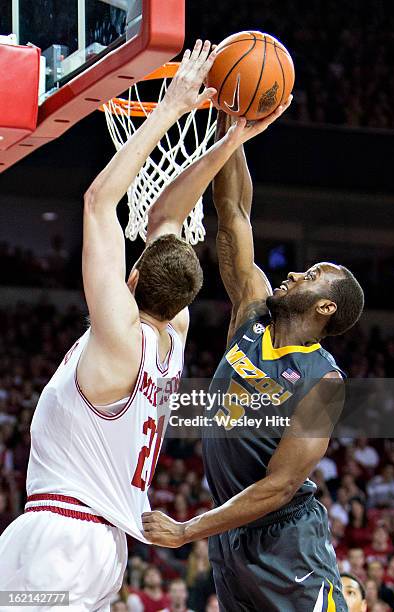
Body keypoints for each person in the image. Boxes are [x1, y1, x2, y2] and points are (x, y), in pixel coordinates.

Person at [0, 40, 218, 609]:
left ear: (134, 280)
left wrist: (170, 111)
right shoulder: (174, 335)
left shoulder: (120, 336)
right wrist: (234, 137)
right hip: (97, 543)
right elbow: (167, 218)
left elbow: (100, 202)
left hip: (63, 535)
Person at [142, 109, 365, 611]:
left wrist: (186, 529)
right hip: (231, 538)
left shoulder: (325, 379)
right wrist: (233, 130)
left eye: (310, 276)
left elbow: (280, 486)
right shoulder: (252, 312)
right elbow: (235, 213)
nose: (294, 275)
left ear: (326, 307)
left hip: (286, 541)